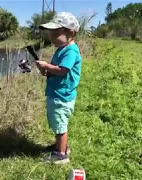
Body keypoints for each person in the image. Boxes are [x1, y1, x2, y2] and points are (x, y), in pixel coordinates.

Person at [35, 12, 82, 164]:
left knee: (60, 124)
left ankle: (61, 155)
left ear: (71, 33)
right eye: (50, 33)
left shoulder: (71, 51)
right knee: (57, 122)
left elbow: (63, 70)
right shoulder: (61, 49)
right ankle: (61, 147)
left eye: (56, 33)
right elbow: (55, 70)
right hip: (56, 93)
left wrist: (47, 66)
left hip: (61, 96)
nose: (52, 37)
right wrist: (45, 70)